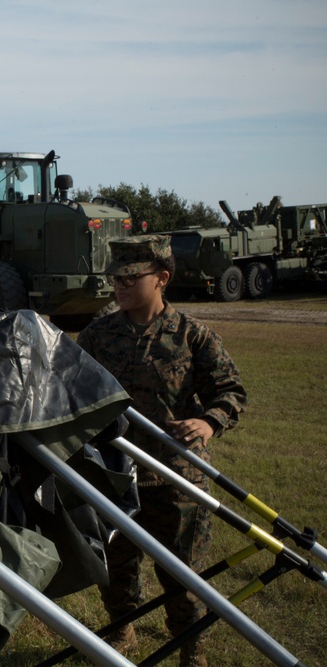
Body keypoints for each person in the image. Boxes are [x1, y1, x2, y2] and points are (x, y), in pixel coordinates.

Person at [76, 235, 246, 667]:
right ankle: (122, 630)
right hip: (115, 475)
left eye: (132, 277)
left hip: (175, 477)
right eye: (116, 278)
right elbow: (70, 390)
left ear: (162, 279)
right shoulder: (98, 335)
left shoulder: (193, 336)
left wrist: (209, 421)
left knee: (183, 575)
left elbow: (230, 391)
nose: (120, 286)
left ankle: (192, 648)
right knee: (115, 567)